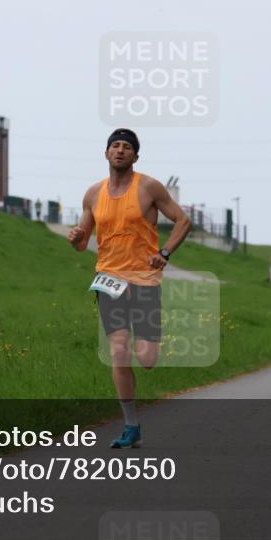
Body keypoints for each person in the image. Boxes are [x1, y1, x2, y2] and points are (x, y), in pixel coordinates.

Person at [67, 129, 192, 448]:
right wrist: (76, 238)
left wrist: (165, 253)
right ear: (106, 153)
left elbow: (183, 220)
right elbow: (83, 243)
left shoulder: (149, 186)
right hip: (109, 278)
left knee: (146, 358)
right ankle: (131, 426)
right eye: (115, 146)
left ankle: (150, 340)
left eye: (127, 147)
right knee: (119, 351)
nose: (120, 151)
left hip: (144, 279)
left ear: (135, 156)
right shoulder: (93, 193)